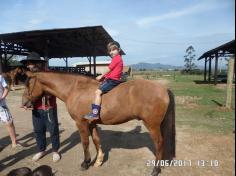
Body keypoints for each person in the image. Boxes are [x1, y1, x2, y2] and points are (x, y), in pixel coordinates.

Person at [21, 52, 61, 162]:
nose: (28, 66)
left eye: (30, 64)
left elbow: (56, 89)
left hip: (49, 108)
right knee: (38, 131)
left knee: (53, 131)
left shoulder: (49, 74)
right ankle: (41, 150)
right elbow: (27, 91)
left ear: (37, 63)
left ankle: (55, 151)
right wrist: (25, 103)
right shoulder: (30, 76)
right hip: (36, 108)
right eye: (27, 64)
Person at [84, 41, 123, 120]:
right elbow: (112, 71)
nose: (111, 52)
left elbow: (108, 69)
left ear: (119, 50)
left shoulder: (116, 58)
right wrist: (104, 77)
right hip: (111, 79)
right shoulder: (118, 58)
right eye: (110, 50)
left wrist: (101, 75)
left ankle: (95, 113)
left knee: (98, 92)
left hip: (112, 81)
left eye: (113, 49)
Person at [0, 73, 22, 149]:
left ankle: (14, 142)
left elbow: (6, 88)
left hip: (1, 106)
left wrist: (2, 98)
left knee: (9, 122)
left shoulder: (0, 78)